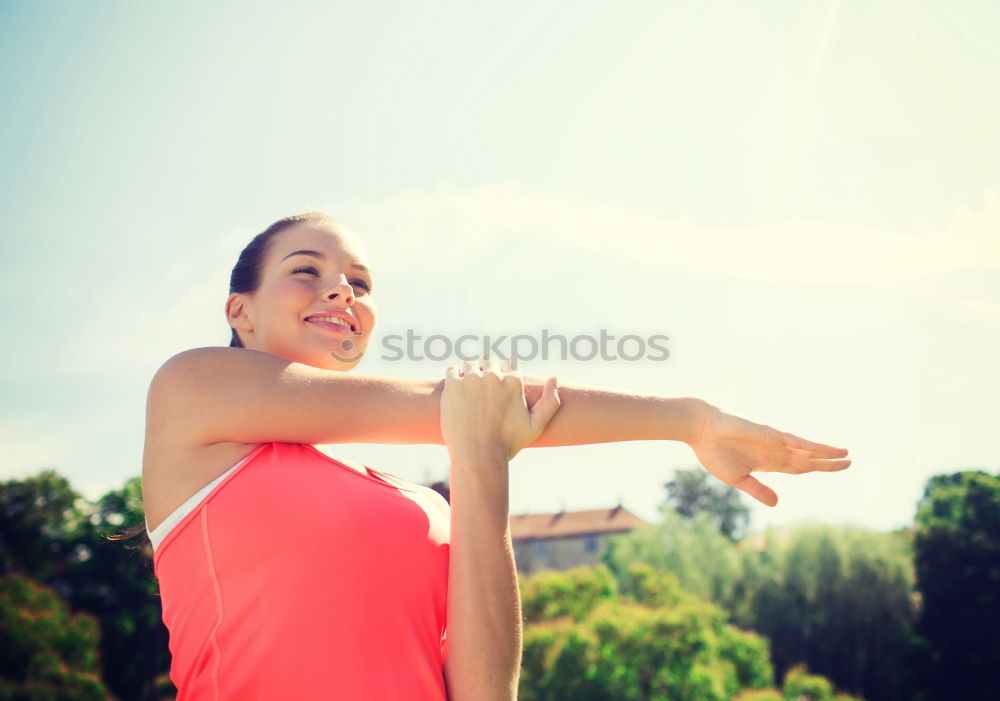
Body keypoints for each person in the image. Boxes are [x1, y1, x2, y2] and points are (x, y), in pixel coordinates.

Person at [136, 211, 851, 700]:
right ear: (241, 311)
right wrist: (685, 419)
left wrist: (482, 466)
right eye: (306, 269)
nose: (342, 289)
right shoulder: (190, 392)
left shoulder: (414, 504)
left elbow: (484, 691)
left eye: (360, 281)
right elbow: (461, 404)